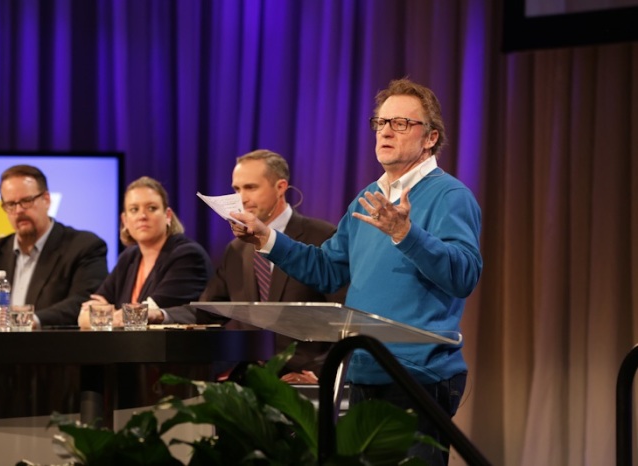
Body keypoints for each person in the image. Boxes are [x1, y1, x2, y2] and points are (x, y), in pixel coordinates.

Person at [229, 78, 482, 465]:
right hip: (363, 370)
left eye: (400, 123)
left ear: (430, 138)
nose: (385, 131)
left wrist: (406, 234)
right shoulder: (369, 198)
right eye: (380, 122)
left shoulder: (450, 196)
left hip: (417, 377)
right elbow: (328, 269)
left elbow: (463, 275)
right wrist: (268, 239)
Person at [196, 149, 347, 384]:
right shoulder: (236, 249)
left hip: (304, 380)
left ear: (280, 187)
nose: (242, 198)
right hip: (249, 380)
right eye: (237, 189)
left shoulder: (323, 236)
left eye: (251, 187)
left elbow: (346, 316)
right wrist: (158, 315)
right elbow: (207, 310)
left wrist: (321, 372)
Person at [0, 164, 109, 328]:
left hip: (53, 349)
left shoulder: (84, 246)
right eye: (11, 204)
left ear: (46, 200)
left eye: (26, 201)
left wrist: (25, 320)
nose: (18, 211)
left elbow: (84, 302)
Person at [78, 176, 212, 328]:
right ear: (125, 221)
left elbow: (143, 316)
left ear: (167, 216)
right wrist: (111, 315)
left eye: (151, 208)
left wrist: (107, 315)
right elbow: (84, 317)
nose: (142, 216)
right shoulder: (128, 257)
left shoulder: (187, 256)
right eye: (134, 209)